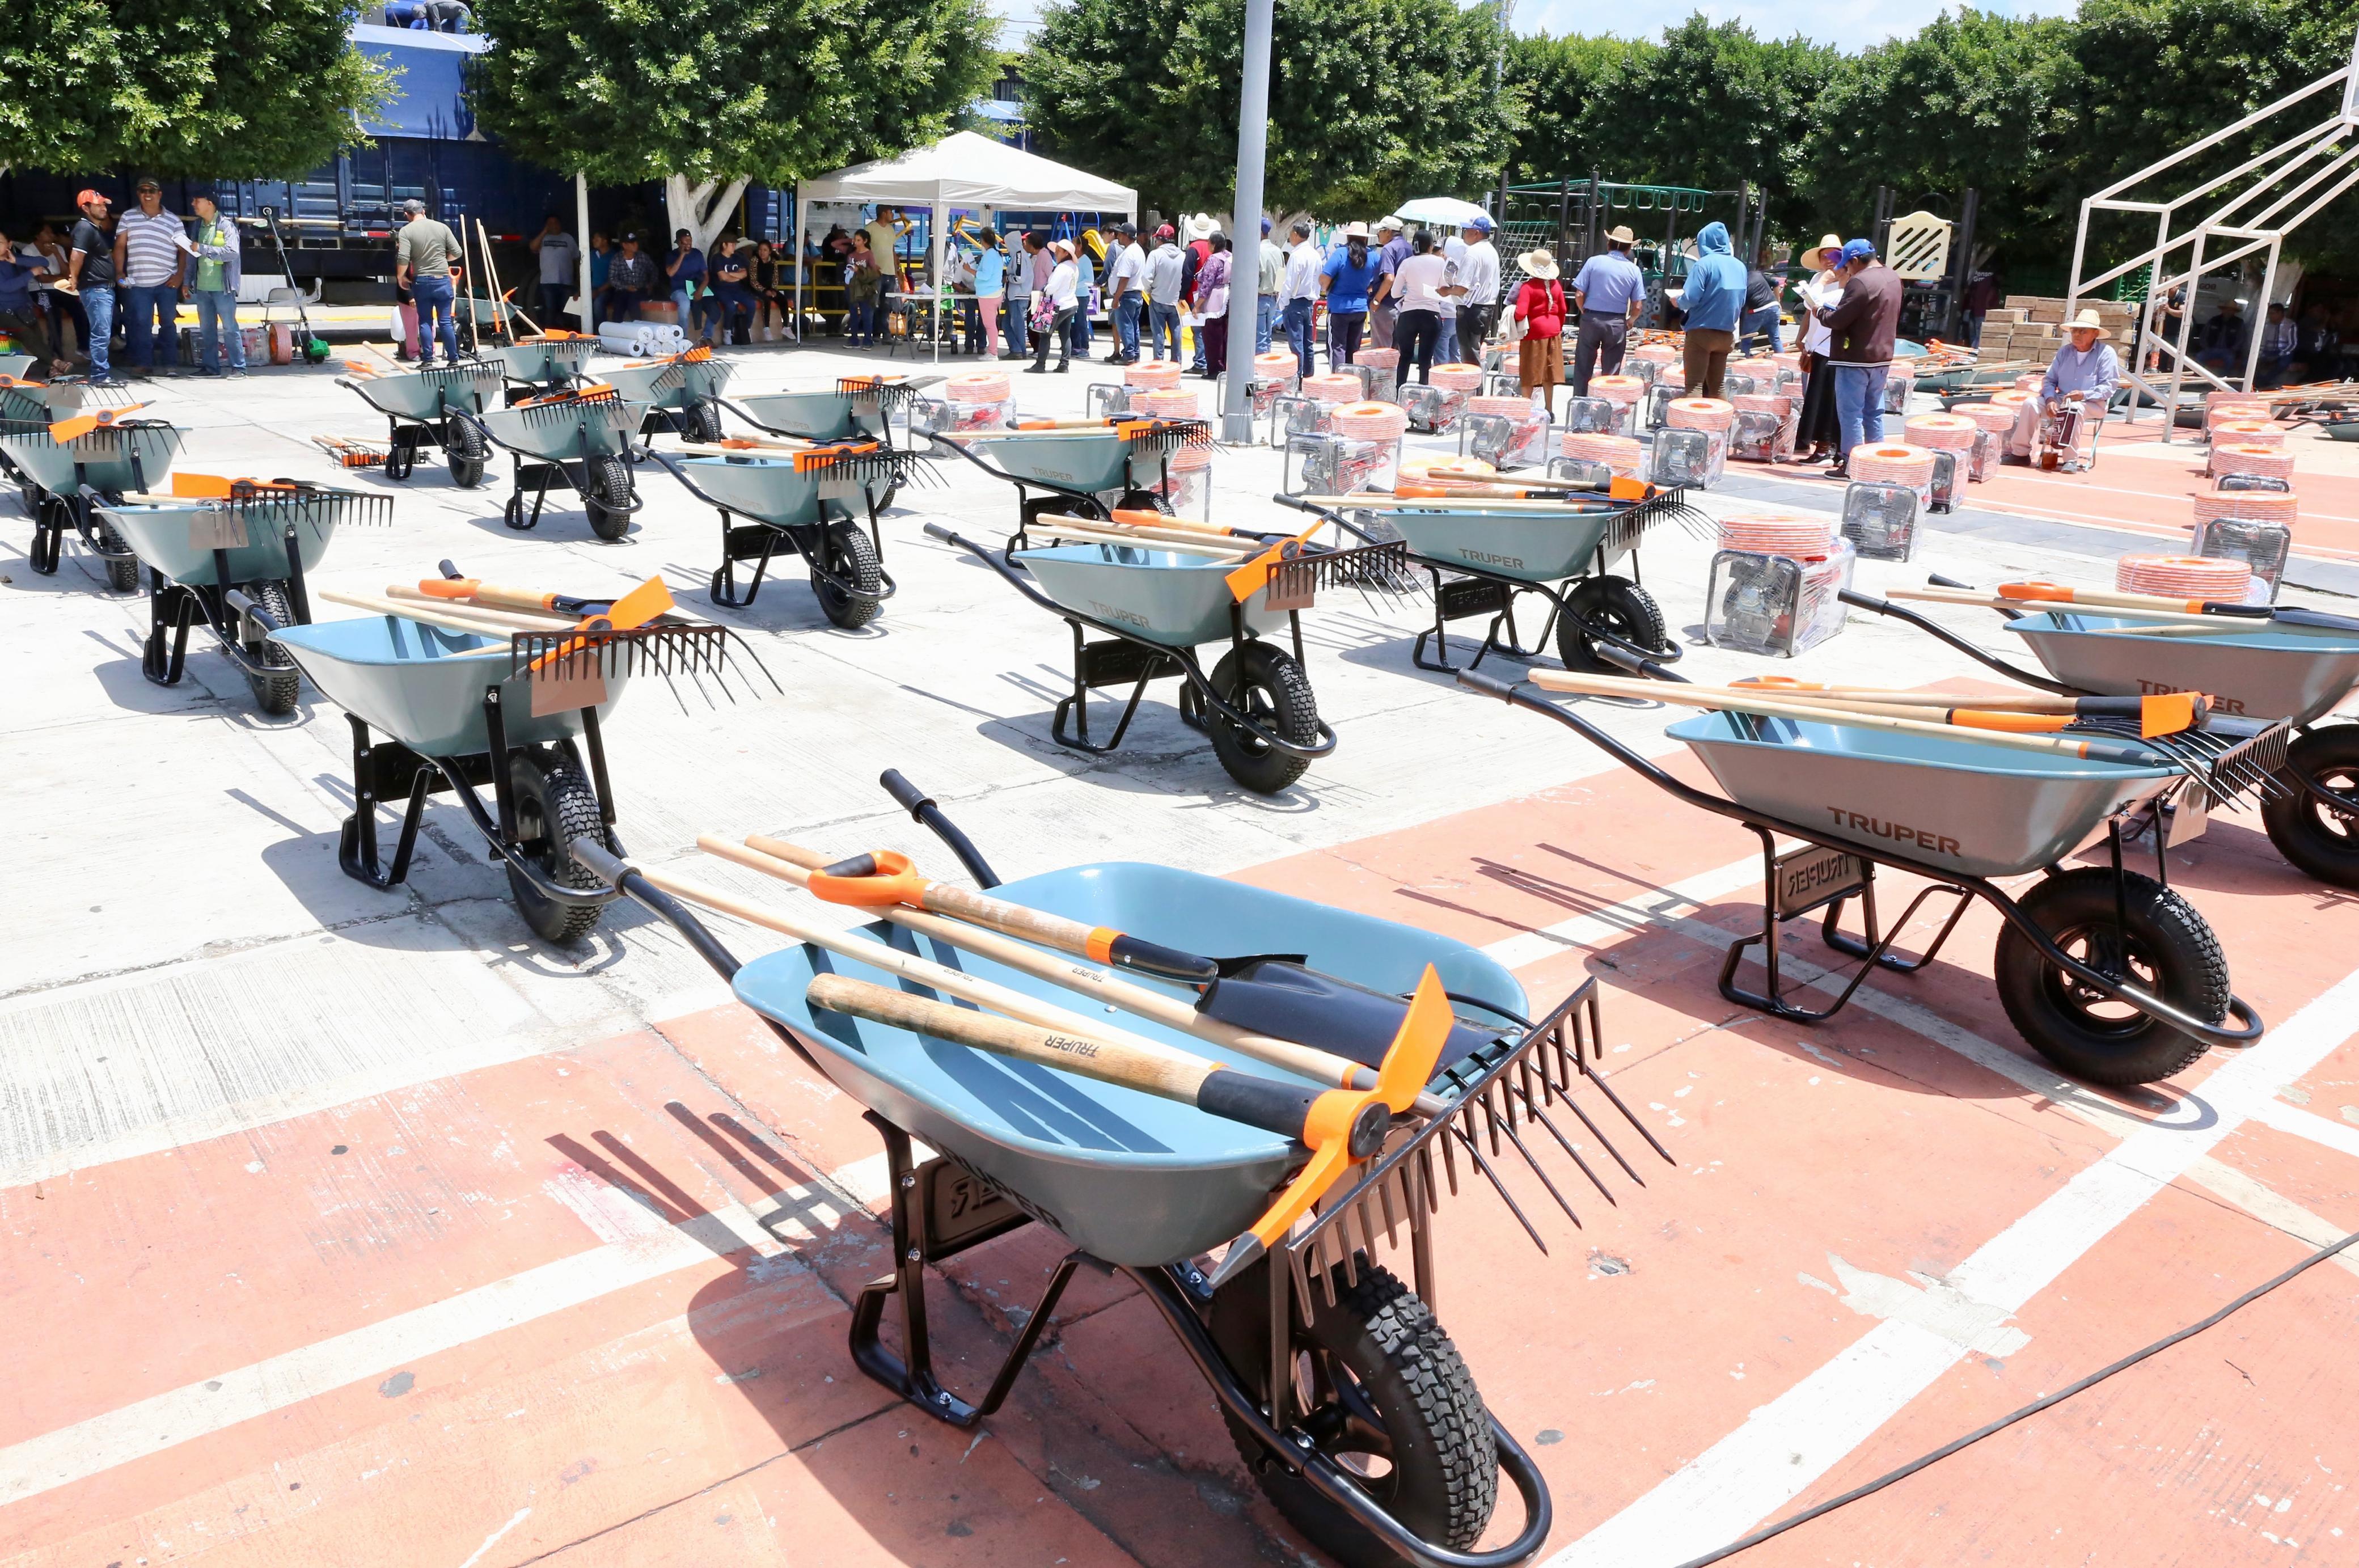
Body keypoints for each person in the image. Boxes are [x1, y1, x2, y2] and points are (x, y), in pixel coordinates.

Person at [1813, 238, 1901, 477]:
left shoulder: (1860, 282)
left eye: (1847, 265)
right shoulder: (1893, 277)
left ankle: (1852, 463)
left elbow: (1838, 320)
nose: (1847, 270)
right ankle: (1877, 462)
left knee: (1851, 414)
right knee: (1874, 412)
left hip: (1855, 357)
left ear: (1855, 261)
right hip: (1882, 356)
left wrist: (1819, 312)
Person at [2009, 308, 2120, 462]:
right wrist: (2050, 399)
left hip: (2092, 403)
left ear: (2095, 334)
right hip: (2061, 399)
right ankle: (2020, 454)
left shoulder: (2106, 353)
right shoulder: (2065, 352)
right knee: (2030, 404)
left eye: (2083, 331)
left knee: (2074, 408)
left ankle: (2070, 460)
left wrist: (2084, 394)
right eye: (2074, 331)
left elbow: (2109, 386)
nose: (2077, 335)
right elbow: (2049, 380)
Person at [115, 178, 184, 378]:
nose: (147, 194)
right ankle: (144, 364)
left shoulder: (174, 221)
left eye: (152, 191)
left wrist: (179, 276)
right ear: (138, 194)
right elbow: (120, 246)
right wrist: (119, 272)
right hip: (138, 283)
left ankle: (170, 364)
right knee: (141, 324)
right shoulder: (128, 217)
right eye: (143, 191)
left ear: (159, 194)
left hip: (167, 282)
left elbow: (183, 251)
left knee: (168, 323)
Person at [1569, 225, 1644, 396]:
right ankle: (1605, 404)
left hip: (1591, 318)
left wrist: (1584, 311)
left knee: (1583, 367)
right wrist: (1631, 321)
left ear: (1609, 244)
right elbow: (1638, 306)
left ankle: (1580, 402)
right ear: (1628, 249)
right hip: (1616, 323)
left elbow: (1579, 294)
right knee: (1611, 372)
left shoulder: (1594, 262)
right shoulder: (1634, 270)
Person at [1676, 220, 1745, 400]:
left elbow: (1690, 298)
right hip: (1726, 334)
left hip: (1701, 333)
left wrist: (1677, 301)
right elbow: (1742, 300)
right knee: (1718, 387)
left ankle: (1692, 419)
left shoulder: (1704, 264)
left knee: (1694, 386)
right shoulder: (1740, 266)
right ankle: (1722, 418)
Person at [1791, 234, 1844, 464]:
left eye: (1833, 256)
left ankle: (1828, 447)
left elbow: (1821, 305)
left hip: (1834, 347)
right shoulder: (1817, 279)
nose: (1828, 261)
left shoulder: (1847, 280)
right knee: (1815, 397)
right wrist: (1802, 337)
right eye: (1824, 257)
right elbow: (1809, 309)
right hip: (1817, 346)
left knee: (1829, 399)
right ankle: (1818, 445)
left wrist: (1824, 283)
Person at [393, 198, 463, 367]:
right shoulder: (442, 227)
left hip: (422, 281)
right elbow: (457, 252)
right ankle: (453, 359)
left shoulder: (406, 231)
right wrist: (443, 259)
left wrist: (401, 277)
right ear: (423, 211)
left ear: (407, 214)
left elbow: (403, 257)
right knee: (445, 322)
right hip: (442, 280)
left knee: (425, 321)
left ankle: (428, 360)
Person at [184, 194, 244, 378]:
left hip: (222, 288)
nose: (193, 203)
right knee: (207, 330)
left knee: (229, 328)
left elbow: (232, 253)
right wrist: (187, 281)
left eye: (197, 201)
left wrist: (202, 248)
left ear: (209, 204)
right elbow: (191, 256)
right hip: (203, 288)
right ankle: (211, 368)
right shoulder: (197, 225)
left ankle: (239, 368)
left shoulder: (226, 225)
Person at [1389, 229, 1450, 384]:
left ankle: (1400, 390)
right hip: (1431, 313)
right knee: (1426, 358)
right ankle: (1424, 390)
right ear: (1431, 246)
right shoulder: (1440, 262)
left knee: (1405, 356)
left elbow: (1395, 293)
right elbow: (1444, 288)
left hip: (1409, 314)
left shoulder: (1407, 263)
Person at [1511, 248, 1568, 414]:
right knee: (1548, 374)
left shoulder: (1528, 287)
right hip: (1554, 332)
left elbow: (1521, 313)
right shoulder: (1556, 286)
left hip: (1534, 334)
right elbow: (1563, 310)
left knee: (1529, 372)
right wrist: (1558, 328)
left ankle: (1526, 409)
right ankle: (1549, 409)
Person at [1320, 222, 1379, 367]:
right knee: (1354, 349)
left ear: (1348, 237)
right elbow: (1382, 279)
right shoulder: (1374, 257)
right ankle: (1352, 378)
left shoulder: (1340, 254)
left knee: (1337, 347)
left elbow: (1324, 278)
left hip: (1338, 308)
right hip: (1360, 308)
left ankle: (1338, 379)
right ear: (1365, 238)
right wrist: (1368, 287)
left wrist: (1327, 289)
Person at [31, 222, 82, 375]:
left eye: (52, 233)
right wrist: (59, 277)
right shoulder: (29, 251)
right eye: (47, 233)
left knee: (78, 307)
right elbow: (41, 279)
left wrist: (57, 254)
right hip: (39, 291)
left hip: (59, 289)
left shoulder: (57, 248)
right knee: (52, 313)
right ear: (38, 236)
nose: (51, 236)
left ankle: (83, 346)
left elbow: (67, 272)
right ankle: (56, 357)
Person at [0, 230, 53, 378]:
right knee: (26, 333)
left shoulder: (17, 259)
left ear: (9, 244)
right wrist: (31, 273)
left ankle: (49, 369)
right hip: (3, 312)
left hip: (24, 309)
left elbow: (44, 262)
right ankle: (56, 362)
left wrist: (17, 261)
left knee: (38, 339)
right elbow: (6, 287)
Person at [1452, 214, 1501, 362]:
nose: (1464, 234)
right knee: (1474, 353)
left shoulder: (1473, 252)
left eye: (1467, 230)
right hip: (1486, 308)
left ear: (1476, 233)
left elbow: (1462, 287)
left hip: (1471, 310)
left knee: (1470, 358)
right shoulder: (1492, 251)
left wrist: (1447, 290)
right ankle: (1477, 378)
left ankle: (1475, 379)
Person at [1029, 239, 1080, 373]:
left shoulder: (1062, 268)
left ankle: (1040, 365)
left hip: (1057, 304)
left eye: (1058, 251)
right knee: (1065, 335)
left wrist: (1045, 289)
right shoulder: (1074, 267)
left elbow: (1052, 288)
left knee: (1045, 335)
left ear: (1066, 253)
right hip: (1070, 303)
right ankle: (1064, 364)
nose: (1056, 253)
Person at [1101, 220, 1143, 365]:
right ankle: (1135, 354)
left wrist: (1116, 298)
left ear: (1126, 235)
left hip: (1126, 295)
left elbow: (1124, 278)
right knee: (1133, 326)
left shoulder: (1129, 253)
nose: (1118, 236)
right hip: (1135, 294)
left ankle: (1129, 354)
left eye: (1120, 234)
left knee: (1126, 326)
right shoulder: (1138, 250)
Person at [700, 236, 756, 344]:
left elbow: (744, 274)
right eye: (732, 244)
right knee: (730, 306)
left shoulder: (737, 257)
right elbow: (723, 277)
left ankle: (746, 330)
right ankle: (727, 331)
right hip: (721, 290)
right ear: (724, 245)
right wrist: (736, 276)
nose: (734, 246)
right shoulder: (717, 258)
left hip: (737, 289)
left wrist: (729, 274)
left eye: (735, 244)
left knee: (751, 304)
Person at [1281, 221, 1321, 374]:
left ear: (1296, 235)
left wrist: (1284, 302)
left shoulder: (1296, 255)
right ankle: (1309, 376)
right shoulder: (1315, 254)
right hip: (1309, 303)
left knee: (1296, 344)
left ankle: (1297, 377)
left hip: (1295, 302)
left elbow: (1289, 283)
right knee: (1307, 344)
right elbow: (1318, 280)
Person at [1144, 223, 1186, 362]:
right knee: (1177, 332)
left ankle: (1158, 361)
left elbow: (1146, 278)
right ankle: (1176, 362)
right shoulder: (1183, 256)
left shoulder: (1155, 255)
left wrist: (1149, 290)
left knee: (1158, 333)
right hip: (1176, 300)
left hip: (1158, 298)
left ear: (1160, 240)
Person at [529, 217, 578, 329]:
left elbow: (576, 258)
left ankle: (568, 334)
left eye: (556, 223)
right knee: (550, 310)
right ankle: (550, 334)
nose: (554, 225)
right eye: (550, 223)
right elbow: (533, 247)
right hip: (548, 282)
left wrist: (578, 279)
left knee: (568, 311)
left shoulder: (568, 238)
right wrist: (545, 231)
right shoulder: (543, 238)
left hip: (566, 282)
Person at [1369, 215, 1409, 349]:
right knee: (1397, 350)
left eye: (1380, 231)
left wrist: (1376, 300)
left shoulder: (1389, 249)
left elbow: (1389, 279)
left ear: (1388, 232)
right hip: (1404, 305)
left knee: (1381, 350)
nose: (1378, 234)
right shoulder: (1409, 248)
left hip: (1386, 305)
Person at [1183, 214, 1217, 371]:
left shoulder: (1194, 249)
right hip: (1213, 295)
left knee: (1197, 329)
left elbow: (1187, 274)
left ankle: (1200, 361)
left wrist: (1182, 295)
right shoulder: (1214, 248)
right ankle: (1208, 360)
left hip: (1195, 294)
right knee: (1208, 330)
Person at [1197, 233, 1233, 379]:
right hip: (1228, 297)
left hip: (1215, 299)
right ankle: (1225, 366)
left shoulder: (1214, 259)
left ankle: (1215, 369)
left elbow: (1207, 284)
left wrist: (1198, 305)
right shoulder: (1230, 257)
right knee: (1224, 335)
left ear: (1213, 244)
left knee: (1212, 337)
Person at [604, 231, 659, 322]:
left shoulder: (643, 257)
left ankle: (639, 328)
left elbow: (654, 270)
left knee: (634, 303)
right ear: (625, 245)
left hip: (641, 290)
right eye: (632, 243)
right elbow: (613, 278)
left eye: (636, 242)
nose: (636, 245)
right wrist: (626, 287)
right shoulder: (617, 259)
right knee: (618, 308)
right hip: (622, 291)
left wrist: (651, 285)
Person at [1739, 243, 1782, 353]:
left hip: (1757, 310)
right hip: (1774, 307)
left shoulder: (1741, 283)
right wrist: (1778, 302)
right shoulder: (1758, 274)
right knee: (1775, 339)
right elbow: (1776, 283)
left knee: (1746, 339)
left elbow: (1740, 304)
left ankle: (1744, 359)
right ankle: (1782, 360)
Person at [843, 230, 884, 345]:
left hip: (865, 288)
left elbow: (873, 272)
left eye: (859, 240)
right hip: (852, 287)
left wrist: (859, 270)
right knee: (853, 314)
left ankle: (868, 340)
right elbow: (836, 245)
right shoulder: (851, 254)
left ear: (865, 241)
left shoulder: (869, 254)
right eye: (855, 240)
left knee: (866, 315)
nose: (856, 242)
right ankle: (854, 339)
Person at [971, 231, 1006, 360]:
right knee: (992, 324)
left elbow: (985, 276)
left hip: (988, 294)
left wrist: (971, 270)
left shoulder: (989, 256)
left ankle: (993, 352)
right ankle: (992, 351)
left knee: (990, 325)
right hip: (995, 292)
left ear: (983, 240)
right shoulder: (997, 254)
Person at [665, 229, 705, 326]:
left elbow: (706, 275)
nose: (688, 243)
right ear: (679, 242)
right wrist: (682, 255)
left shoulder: (697, 254)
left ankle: (707, 333)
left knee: (713, 306)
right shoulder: (671, 255)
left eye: (690, 240)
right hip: (679, 290)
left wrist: (700, 290)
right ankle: (683, 334)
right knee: (685, 304)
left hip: (695, 288)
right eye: (685, 240)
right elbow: (671, 273)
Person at [2196, 299, 2247, 374]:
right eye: (2227, 309)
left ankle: (2224, 378)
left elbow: (2241, 339)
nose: (2228, 312)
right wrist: (2206, 347)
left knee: (2230, 360)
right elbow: (2204, 335)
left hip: (2228, 351)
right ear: (2223, 310)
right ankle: (2200, 375)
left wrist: (2233, 350)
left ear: (2234, 312)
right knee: (2199, 357)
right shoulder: (2213, 320)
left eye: (2231, 310)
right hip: (2211, 349)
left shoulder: (2239, 323)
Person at [1254, 217, 1283, 353]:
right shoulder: (1278, 251)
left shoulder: (1257, 250)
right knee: (1268, 337)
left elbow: (1255, 276)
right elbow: (1282, 275)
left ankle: (1259, 364)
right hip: (1273, 298)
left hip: (1259, 297)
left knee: (1259, 337)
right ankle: (1267, 361)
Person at [2255, 302, 2297, 388]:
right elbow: (2262, 342)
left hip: (2284, 352)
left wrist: (2279, 355)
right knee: (2255, 363)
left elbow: (2293, 344)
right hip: (2269, 351)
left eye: (2272, 313)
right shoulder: (2267, 325)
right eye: (2269, 314)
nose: (2270, 316)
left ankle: (2264, 382)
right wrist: (2259, 355)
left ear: (2280, 313)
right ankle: (2260, 382)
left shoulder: (2290, 325)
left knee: (2282, 364)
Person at [587, 232, 612, 328]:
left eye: (597, 239)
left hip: (608, 290)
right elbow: (585, 273)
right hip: (592, 288)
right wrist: (580, 291)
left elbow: (613, 279)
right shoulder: (592, 255)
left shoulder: (613, 255)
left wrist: (598, 291)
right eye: (593, 239)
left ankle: (601, 331)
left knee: (598, 304)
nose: (594, 241)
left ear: (605, 241)